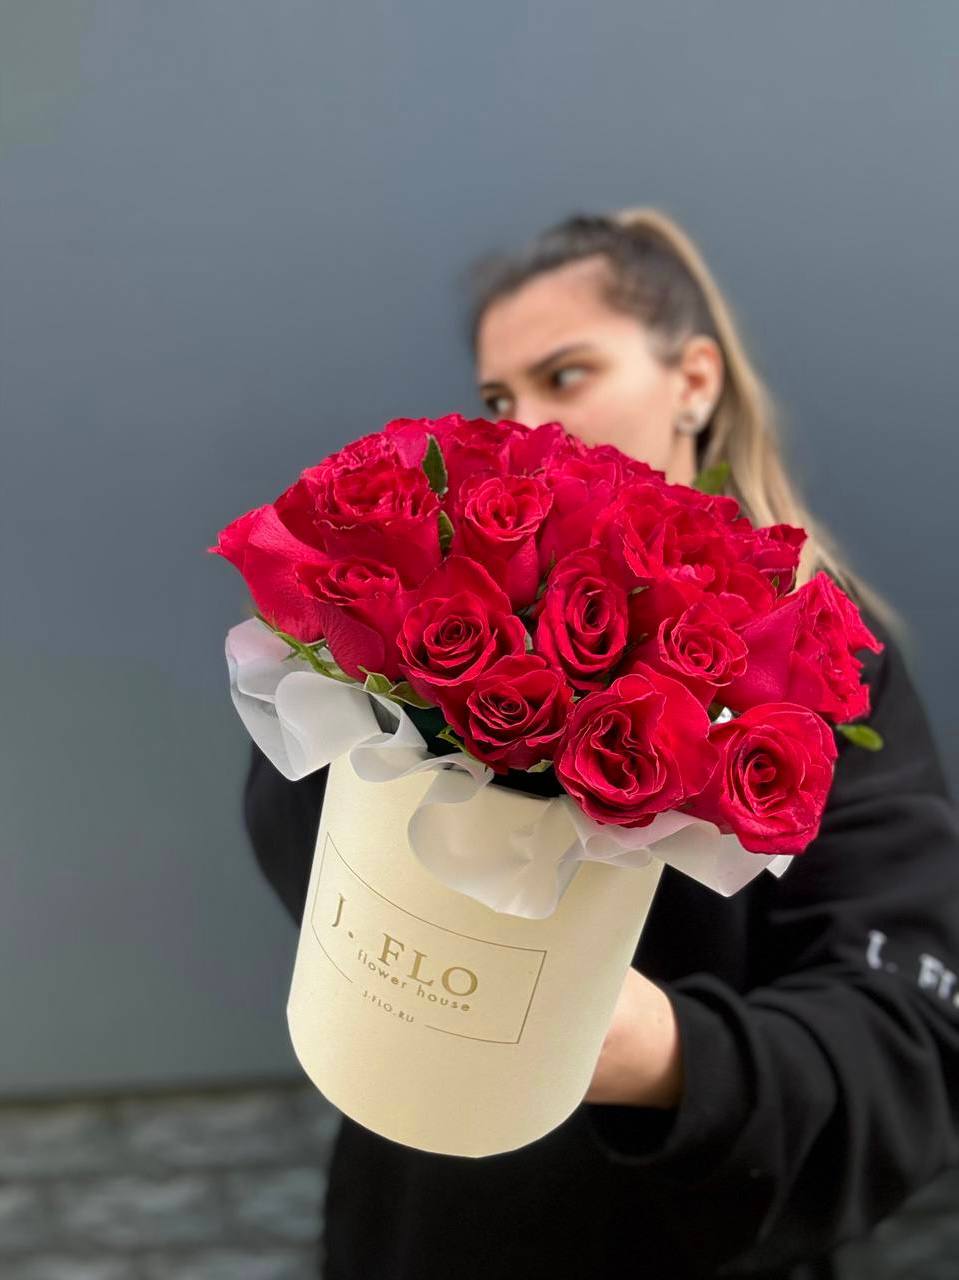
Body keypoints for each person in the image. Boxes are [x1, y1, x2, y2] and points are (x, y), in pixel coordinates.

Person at [242, 208, 959, 1279]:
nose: (527, 422)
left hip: (677, 1239)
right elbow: (299, 845)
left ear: (693, 382)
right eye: (499, 398)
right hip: (418, 1229)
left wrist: (647, 1049)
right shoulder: (445, 608)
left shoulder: (821, 666)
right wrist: (364, 676)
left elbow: (904, 1034)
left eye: (565, 374)